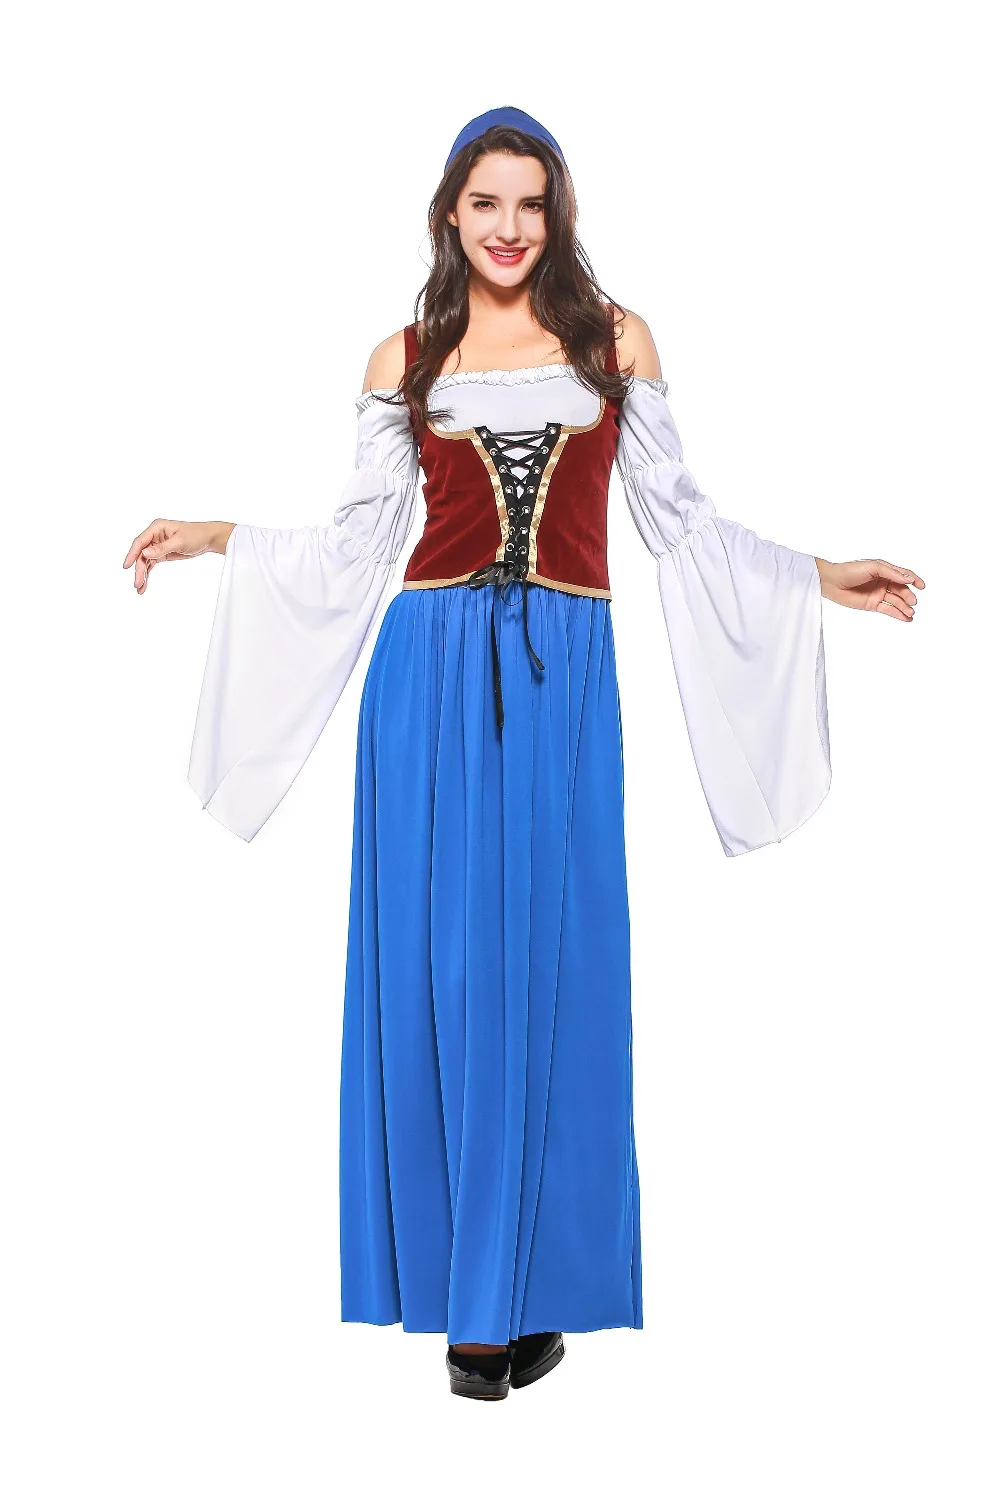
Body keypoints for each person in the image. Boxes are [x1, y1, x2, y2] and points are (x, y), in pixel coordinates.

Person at [123, 106, 925, 1401]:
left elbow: (678, 521)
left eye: (531, 205)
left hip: (563, 682)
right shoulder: (405, 355)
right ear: (450, 212)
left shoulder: (615, 342)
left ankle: (502, 1297)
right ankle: (478, 1315)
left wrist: (823, 576)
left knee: (552, 964)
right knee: (447, 974)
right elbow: (357, 543)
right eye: (485, 203)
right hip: (427, 680)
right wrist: (218, 536)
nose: (508, 228)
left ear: (558, 214)